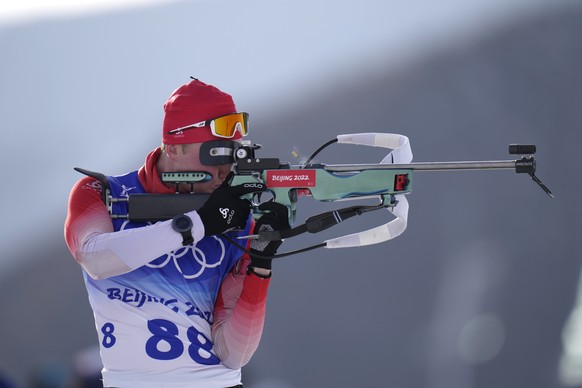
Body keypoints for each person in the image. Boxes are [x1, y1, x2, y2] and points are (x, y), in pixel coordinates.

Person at [64, 78, 289, 388]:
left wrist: (260, 265)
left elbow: (233, 353)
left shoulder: (237, 217)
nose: (226, 170)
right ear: (174, 148)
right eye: (216, 153)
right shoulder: (102, 193)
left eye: (234, 155)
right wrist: (197, 225)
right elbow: (95, 259)